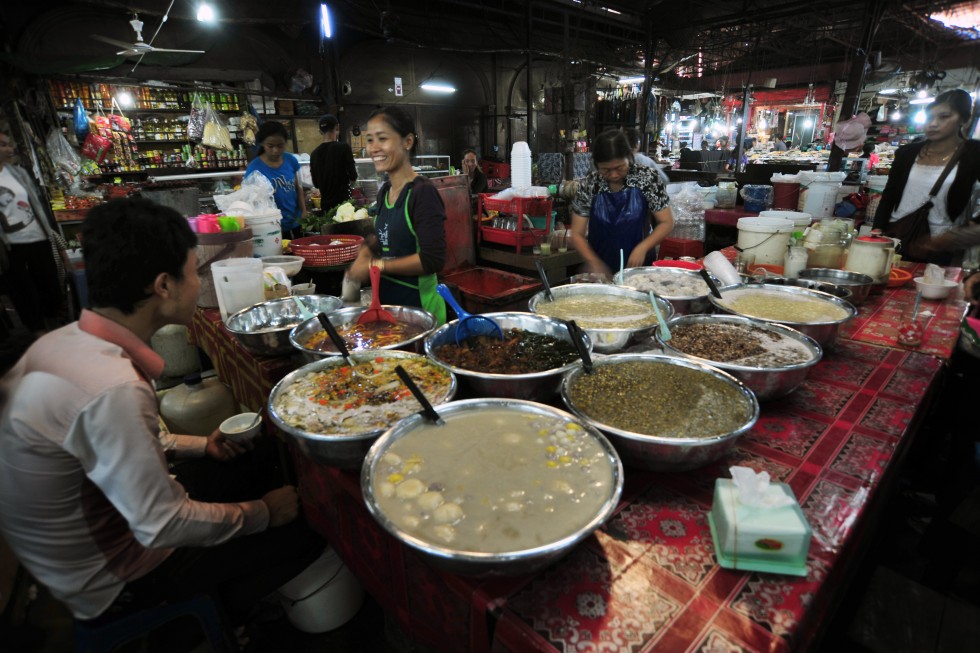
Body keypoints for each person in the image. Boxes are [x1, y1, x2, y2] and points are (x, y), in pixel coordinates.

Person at [0, 198, 323, 628]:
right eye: (195, 273)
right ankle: (222, 618)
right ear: (163, 286)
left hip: (84, 537)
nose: (199, 284)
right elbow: (161, 524)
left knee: (259, 455)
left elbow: (112, 439)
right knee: (311, 526)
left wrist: (200, 446)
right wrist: (263, 512)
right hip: (111, 580)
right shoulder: (113, 387)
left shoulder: (63, 342)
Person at [347, 106, 447, 324]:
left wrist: (378, 266)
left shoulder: (423, 193)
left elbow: (433, 260)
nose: (373, 148)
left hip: (421, 315)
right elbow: (382, 236)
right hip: (388, 312)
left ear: (407, 142)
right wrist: (365, 252)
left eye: (382, 138)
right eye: (370, 140)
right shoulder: (385, 192)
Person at [872, 89, 980, 262]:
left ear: (964, 119)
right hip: (896, 235)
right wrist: (877, 229)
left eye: (944, 117)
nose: (933, 124)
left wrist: (968, 231)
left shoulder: (973, 154)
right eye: (929, 117)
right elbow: (889, 195)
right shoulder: (907, 153)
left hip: (941, 245)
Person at [570, 129, 675, 276]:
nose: (613, 175)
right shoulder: (590, 184)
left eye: (619, 168)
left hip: (639, 268)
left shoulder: (647, 178)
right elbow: (577, 233)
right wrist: (594, 262)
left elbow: (667, 222)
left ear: (629, 157)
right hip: (601, 269)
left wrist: (643, 247)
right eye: (605, 170)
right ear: (596, 165)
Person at [0, 131, 63, 337]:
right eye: (3, 145)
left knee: (51, 287)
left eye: (9, 144)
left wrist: (48, 231)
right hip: (11, 245)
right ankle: (39, 334)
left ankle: (59, 328)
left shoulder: (18, 173)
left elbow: (34, 204)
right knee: (24, 292)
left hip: (38, 238)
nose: (10, 149)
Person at [245, 122, 307, 239]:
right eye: (270, 146)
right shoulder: (255, 168)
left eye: (280, 145)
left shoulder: (291, 160)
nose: (275, 150)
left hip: (295, 221)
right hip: (271, 226)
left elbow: (298, 188)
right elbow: (250, 200)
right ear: (262, 143)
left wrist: (304, 211)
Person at [309, 113, 357, 214]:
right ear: (337, 127)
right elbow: (353, 176)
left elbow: (316, 183)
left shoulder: (314, 154)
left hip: (326, 207)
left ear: (320, 131)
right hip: (344, 205)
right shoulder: (344, 147)